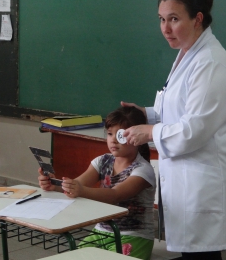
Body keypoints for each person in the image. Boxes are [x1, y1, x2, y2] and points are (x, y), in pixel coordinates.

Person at [121, 0, 226, 260]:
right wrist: (145, 114)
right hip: (185, 181)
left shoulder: (209, 62)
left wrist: (150, 131)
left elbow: (193, 130)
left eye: (174, 19)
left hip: (204, 183)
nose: (165, 28)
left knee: (202, 256)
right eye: (162, 19)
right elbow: (179, 110)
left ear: (197, 18)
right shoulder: (188, 53)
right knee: (193, 254)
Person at [38, 106, 156, 260]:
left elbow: (115, 195)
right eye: (109, 134)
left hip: (134, 237)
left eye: (120, 135)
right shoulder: (102, 161)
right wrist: (55, 185)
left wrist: (80, 190)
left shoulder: (143, 170)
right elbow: (77, 184)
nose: (113, 140)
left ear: (137, 138)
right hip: (101, 232)